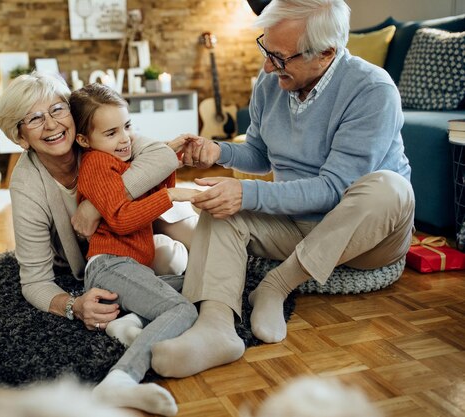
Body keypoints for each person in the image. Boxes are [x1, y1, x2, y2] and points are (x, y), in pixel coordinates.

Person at [150, 0, 415, 378]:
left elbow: (334, 189)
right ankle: (215, 327)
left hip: (366, 235)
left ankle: (277, 284)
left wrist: (248, 194)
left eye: (279, 57)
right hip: (296, 222)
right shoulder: (271, 82)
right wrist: (217, 151)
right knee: (222, 209)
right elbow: (260, 153)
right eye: (266, 50)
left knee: (389, 187)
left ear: (326, 53)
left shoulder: (371, 90)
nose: (266, 66)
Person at [0, 71, 197, 332]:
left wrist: (94, 206)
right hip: (100, 257)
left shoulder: (101, 133)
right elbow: (35, 282)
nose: (51, 125)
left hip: (145, 223)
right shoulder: (26, 185)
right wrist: (73, 305)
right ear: (21, 138)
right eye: (35, 118)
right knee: (162, 269)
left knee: (203, 235)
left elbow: (160, 157)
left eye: (57, 110)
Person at [68, 83, 199, 416]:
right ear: (85, 141)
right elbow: (122, 219)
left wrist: (170, 159)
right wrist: (170, 196)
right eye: (111, 133)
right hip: (109, 266)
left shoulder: (119, 161)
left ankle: (127, 322)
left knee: (200, 285)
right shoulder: (97, 164)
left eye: (127, 127)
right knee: (183, 310)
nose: (124, 138)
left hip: (129, 268)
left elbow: (151, 188)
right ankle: (120, 380)